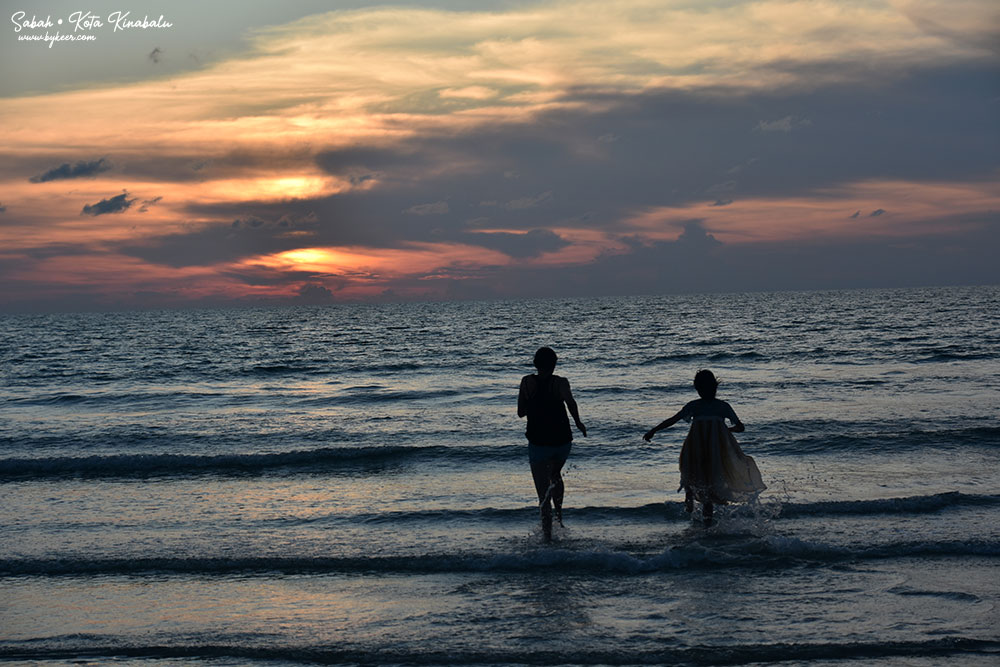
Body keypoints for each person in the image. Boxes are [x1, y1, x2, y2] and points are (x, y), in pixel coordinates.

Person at [643, 369, 764, 524]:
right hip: (704, 451)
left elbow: (740, 427)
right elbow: (740, 427)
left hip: (705, 451)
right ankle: (700, 517)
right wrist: (654, 430)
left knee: (702, 483)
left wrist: (654, 430)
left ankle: (701, 519)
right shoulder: (719, 407)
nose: (704, 392)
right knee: (699, 479)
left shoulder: (701, 406)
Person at [518, 346, 587, 540]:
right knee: (555, 475)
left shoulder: (526, 382)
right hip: (562, 441)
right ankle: (560, 517)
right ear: (555, 364)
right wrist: (579, 423)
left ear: (535, 364)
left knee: (542, 493)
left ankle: (547, 537)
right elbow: (571, 403)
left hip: (538, 442)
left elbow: (520, 412)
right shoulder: (561, 383)